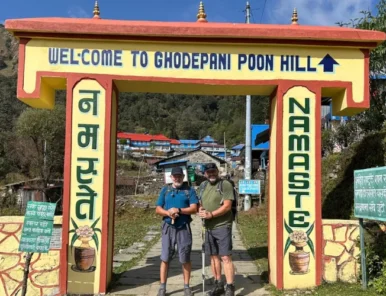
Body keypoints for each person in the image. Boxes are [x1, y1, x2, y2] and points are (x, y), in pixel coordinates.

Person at [155, 167, 199, 296]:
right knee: (165, 257)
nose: (177, 178)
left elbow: (194, 208)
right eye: (175, 176)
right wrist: (168, 213)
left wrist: (179, 210)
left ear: (183, 176)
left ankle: (186, 286)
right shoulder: (165, 190)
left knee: (185, 258)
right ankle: (162, 287)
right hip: (168, 227)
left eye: (179, 176)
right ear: (171, 177)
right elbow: (158, 209)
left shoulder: (189, 191)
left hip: (183, 228)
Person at [198, 163, 236, 296]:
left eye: (213, 171)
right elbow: (200, 203)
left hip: (222, 225)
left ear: (217, 172)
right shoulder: (202, 186)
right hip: (208, 227)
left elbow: (227, 206)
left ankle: (230, 286)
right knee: (213, 257)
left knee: (225, 256)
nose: (211, 174)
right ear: (205, 174)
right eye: (208, 172)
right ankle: (218, 283)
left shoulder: (225, 185)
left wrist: (211, 214)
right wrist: (201, 210)